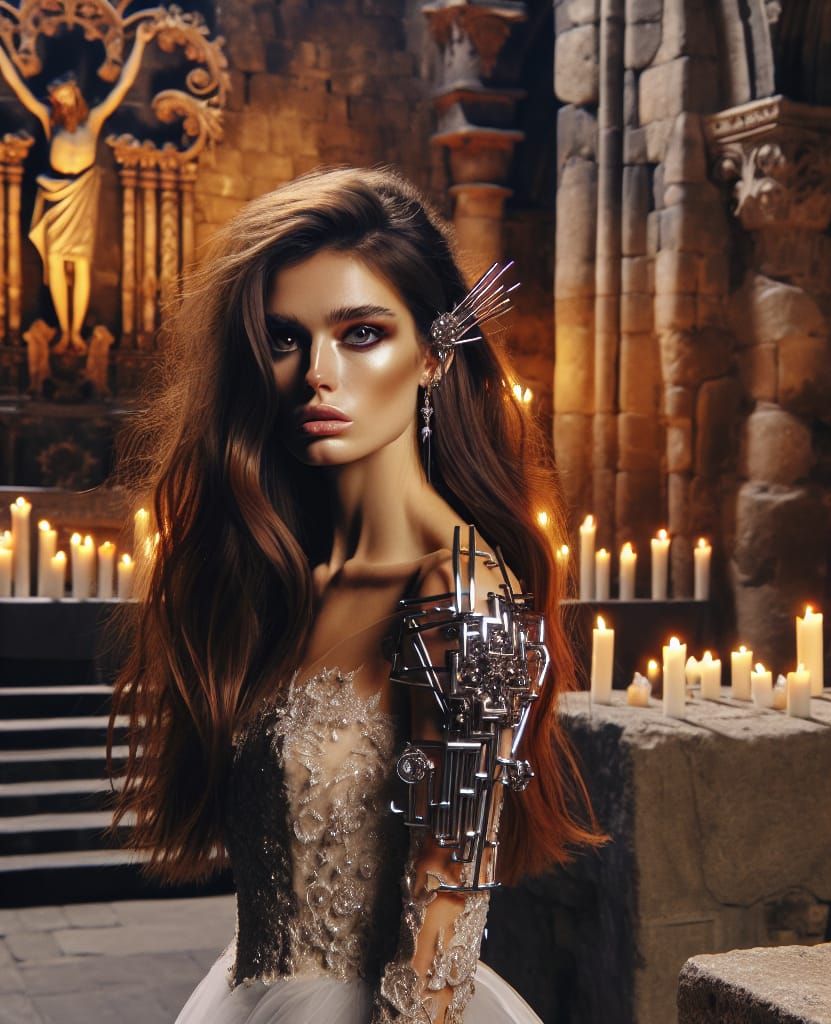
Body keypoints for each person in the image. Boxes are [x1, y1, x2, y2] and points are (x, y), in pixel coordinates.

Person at [105, 165, 606, 1022]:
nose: (317, 375)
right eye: (285, 339)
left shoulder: (463, 591)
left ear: (435, 352)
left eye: (362, 332)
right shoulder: (285, 575)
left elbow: (450, 909)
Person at [0, 22, 157, 352]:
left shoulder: (94, 121)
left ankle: (75, 331)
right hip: (55, 196)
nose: (62, 99)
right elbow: (18, 87)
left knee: (81, 263)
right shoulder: (48, 121)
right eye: (58, 95)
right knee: (55, 262)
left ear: (76, 95)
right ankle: (64, 330)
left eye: (66, 93)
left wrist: (140, 44)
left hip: (82, 195)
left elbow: (124, 85)